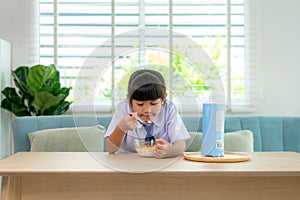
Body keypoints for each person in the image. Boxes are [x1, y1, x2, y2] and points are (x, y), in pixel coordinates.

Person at [105, 69, 190, 158]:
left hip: (160, 163)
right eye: (140, 104)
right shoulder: (123, 108)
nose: (147, 110)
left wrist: (170, 151)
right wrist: (121, 128)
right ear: (129, 100)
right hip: (128, 164)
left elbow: (181, 144)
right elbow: (111, 149)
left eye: (153, 103)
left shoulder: (169, 109)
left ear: (163, 99)